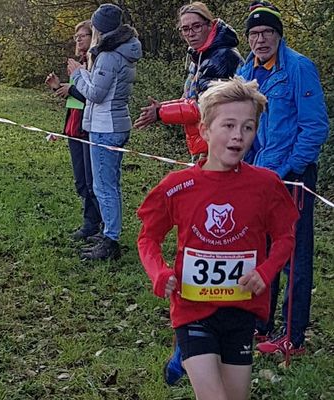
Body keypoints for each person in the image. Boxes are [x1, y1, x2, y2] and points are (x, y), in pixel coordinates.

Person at [137, 78, 299, 400]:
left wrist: (265, 273)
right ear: (205, 129)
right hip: (192, 309)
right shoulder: (177, 186)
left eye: (248, 127)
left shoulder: (266, 186)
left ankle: (184, 357)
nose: (238, 136)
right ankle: (187, 352)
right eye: (228, 125)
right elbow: (148, 239)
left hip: (241, 311)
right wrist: (160, 273)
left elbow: (285, 237)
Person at [238, 1, 329, 355]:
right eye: (254, 34)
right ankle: (261, 325)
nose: (261, 40)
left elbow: (315, 126)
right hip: (259, 174)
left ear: (279, 35)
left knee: (293, 255)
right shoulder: (247, 70)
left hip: (293, 177)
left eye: (267, 33)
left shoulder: (299, 68)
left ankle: (293, 337)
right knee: (262, 250)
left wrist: (292, 167)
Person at [67, 3, 142, 260]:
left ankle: (110, 240)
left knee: (104, 186)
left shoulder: (109, 55)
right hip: (115, 123)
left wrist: (78, 76)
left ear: (98, 28)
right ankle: (110, 231)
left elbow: (96, 95)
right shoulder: (122, 51)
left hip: (105, 126)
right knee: (111, 184)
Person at [134, 1, 243, 160]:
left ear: (209, 24)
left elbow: (204, 107)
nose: (191, 33)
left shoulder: (221, 57)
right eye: (185, 29)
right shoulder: (199, 55)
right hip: (206, 140)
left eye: (196, 26)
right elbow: (189, 99)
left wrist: (160, 113)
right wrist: (161, 107)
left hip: (223, 143)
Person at [45, 20, 103, 241]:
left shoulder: (96, 64)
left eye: (83, 36)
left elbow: (94, 97)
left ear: (94, 37)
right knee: (81, 181)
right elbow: (77, 98)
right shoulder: (78, 63)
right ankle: (89, 223)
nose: (78, 40)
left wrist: (72, 88)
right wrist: (59, 87)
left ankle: (98, 226)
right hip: (73, 128)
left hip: (90, 130)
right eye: (76, 36)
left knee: (92, 182)